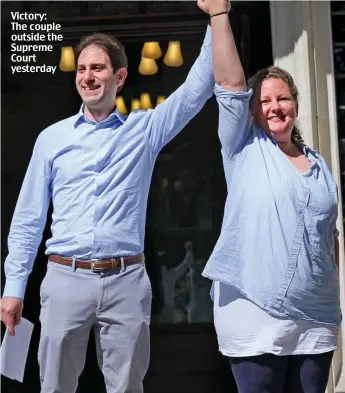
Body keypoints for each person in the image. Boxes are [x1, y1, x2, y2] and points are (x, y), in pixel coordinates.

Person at [0, 3, 227, 391]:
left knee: (126, 388)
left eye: (98, 68)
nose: (87, 77)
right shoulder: (52, 139)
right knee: (54, 386)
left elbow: (196, 90)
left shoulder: (145, 130)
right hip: (64, 278)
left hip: (126, 280)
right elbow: (28, 219)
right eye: (82, 69)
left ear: (119, 76)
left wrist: (217, 16)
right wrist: (13, 286)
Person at [202, 0, 342, 392]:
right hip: (255, 312)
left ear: (295, 104)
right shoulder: (243, 147)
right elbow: (230, 85)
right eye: (263, 101)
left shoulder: (319, 166)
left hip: (316, 317)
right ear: (251, 113)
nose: (274, 107)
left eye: (281, 98)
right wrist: (218, 14)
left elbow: (329, 239)